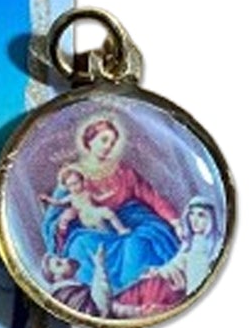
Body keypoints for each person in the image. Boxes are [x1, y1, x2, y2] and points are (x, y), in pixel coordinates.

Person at [41, 114, 181, 301]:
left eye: (113, 142)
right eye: (104, 140)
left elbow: (152, 197)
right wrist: (63, 221)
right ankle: (96, 302)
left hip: (131, 222)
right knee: (80, 246)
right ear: (89, 141)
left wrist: (175, 221)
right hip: (92, 229)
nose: (108, 146)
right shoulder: (72, 174)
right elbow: (52, 218)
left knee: (136, 244)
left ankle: (133, 299)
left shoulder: (124, 171)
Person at [39, 164, 129, 238]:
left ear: (82, 181)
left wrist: (110, 193)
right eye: (70, 185)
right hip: (86, 217)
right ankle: (108, 236)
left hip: (94, 211)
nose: (74, 187)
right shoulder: (71, 197)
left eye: (76, 183)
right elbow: (58, 202)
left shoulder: (87, 192)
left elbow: (99, 198)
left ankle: (121, 229)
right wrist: (47, 199)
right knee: (101, 227)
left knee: (109, 213)